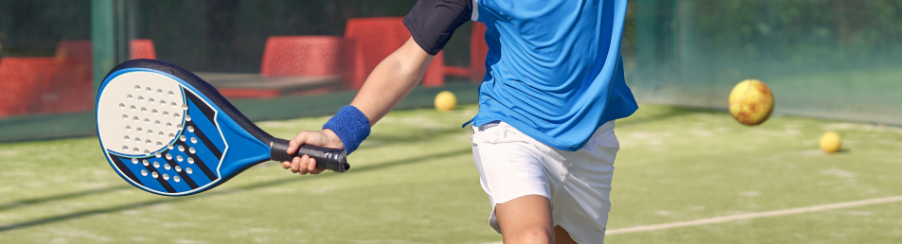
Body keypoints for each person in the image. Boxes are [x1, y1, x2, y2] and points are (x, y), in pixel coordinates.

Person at [280, 0, 637, 243]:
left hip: (592, 139)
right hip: (511, 129)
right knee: (531, 238)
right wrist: (339, 133)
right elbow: (407, 61)